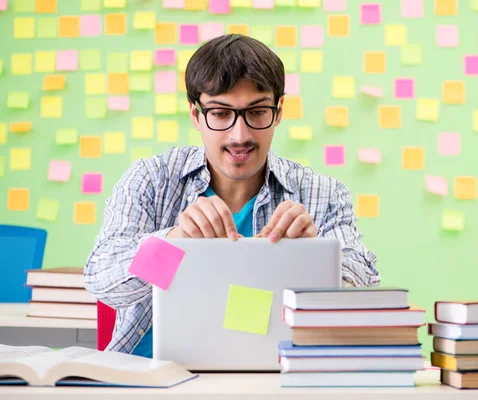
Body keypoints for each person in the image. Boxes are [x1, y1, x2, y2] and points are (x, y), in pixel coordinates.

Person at [84, 34, 380, 358]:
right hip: (148, 375)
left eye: (256, 112)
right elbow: (102, 280)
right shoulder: (152, 180)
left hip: (273, 377)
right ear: (196, 115)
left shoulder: (323, 194)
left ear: (279, 111)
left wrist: (312, 261)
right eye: (221, 114)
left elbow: (363, 288)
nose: (239, 136)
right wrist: (175, 241)